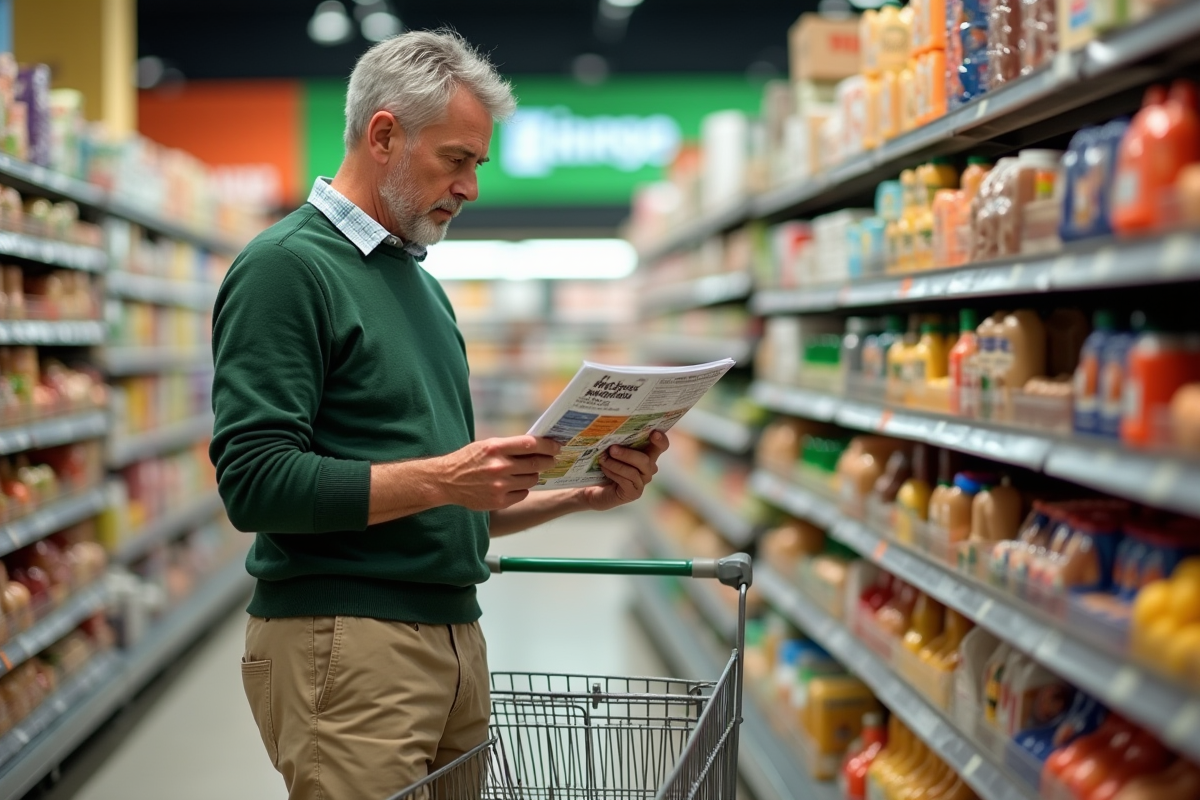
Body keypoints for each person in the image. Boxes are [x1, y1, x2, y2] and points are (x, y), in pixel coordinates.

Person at [208, 29, 670, 800]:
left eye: (478, 164)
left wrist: (580, 496)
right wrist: (445, 477)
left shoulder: (421, 288)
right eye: (456, 159)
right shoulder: (286, 268)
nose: (471, 187)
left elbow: (446, 508)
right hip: (349, 643)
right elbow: (255, 484)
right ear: (383, 135)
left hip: (455, 637)